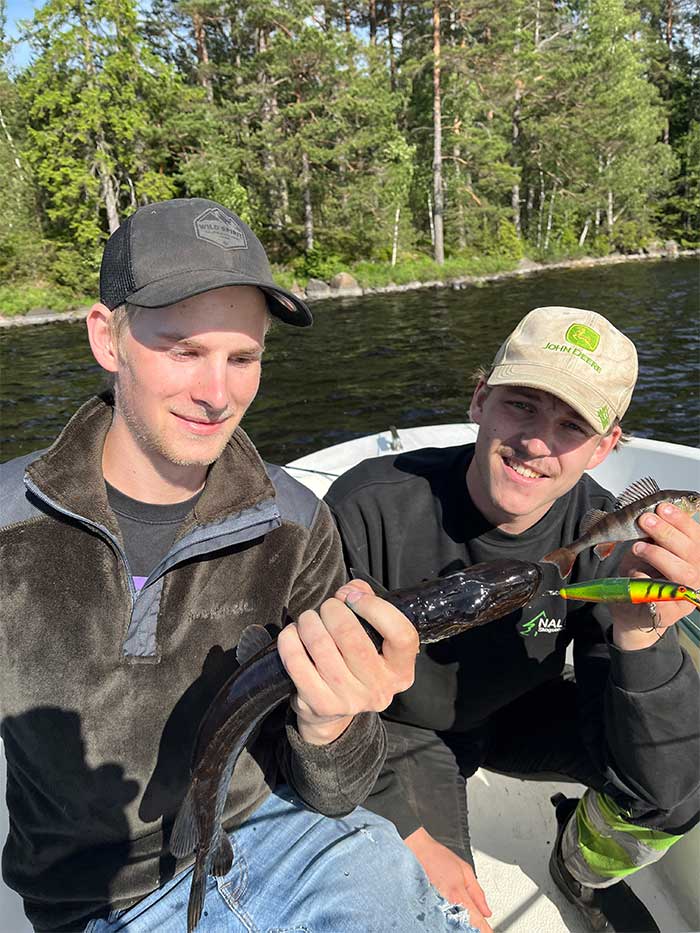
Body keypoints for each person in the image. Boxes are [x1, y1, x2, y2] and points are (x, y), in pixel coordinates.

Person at [0, 198, 480, 933]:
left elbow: (337, 785)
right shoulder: (10, 528)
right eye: (183, 349)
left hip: (293, 836)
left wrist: (335, 725)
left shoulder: (297, 521)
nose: (217, 394)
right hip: (101, 898)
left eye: (243, 357)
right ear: (108, 337)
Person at [325, 305, 700, 933]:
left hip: (519, 713)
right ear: (480, 400)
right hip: (402, 733)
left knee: (680, 783)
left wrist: (645, 634)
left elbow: (658, 761)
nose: (536, 442)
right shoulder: (368, 508)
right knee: (433, 913)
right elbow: (321, 701)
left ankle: (578, 865)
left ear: (605, 447)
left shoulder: (605, 536)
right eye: (521, 405)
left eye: (572, 424)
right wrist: (408, 831)